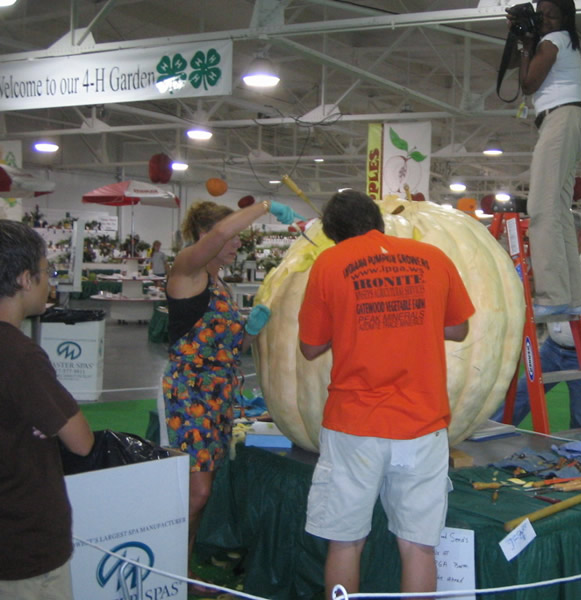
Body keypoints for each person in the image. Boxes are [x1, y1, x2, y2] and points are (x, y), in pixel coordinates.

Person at [298, 190, 475, 599]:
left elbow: (310, 348)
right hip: (423, 423)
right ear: (376, 220)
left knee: (346, 541)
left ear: (335, 235)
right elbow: (459, 328)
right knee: (417, 545)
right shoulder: (433, 258)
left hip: (355, 424)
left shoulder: (330, 263)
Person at [161, 197, 299, 593]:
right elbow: (223, 230)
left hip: (219, 395)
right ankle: (170, 571)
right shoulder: (187, 269)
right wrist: (267, 205)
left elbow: (226, 345)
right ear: (206, 237)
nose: (238, 243)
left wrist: (251, 330)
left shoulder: (218, 281)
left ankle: (183, 573)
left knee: (201, 492)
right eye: (235, 236)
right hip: (191, 394)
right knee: (197, 492)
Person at [0, 220, 95, 599]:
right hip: (24, 545)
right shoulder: (20, 357)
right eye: (46, 272)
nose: (49, 282)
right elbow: (81, 440)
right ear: (25, 279)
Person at [497, 211, 581, 428]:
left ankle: (580, 459)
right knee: (520, 395)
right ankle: (488, 436)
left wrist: (535, 288)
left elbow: (578, 296)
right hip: (553, 347)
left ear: (578, 235)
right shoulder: (552, 260)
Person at [514, 0, 581, 317]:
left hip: (561, 120)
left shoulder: (555, 40)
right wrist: (524, 41)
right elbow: (523, 76)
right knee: (558, 213)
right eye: (540, 12)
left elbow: (527, 82)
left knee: (541, 209)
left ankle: (551, 295)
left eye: (550, 13)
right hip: (571, 120)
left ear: (564, 17)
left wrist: (526, 45)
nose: (544, 18)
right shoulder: (561, 41)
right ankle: (572, 297)